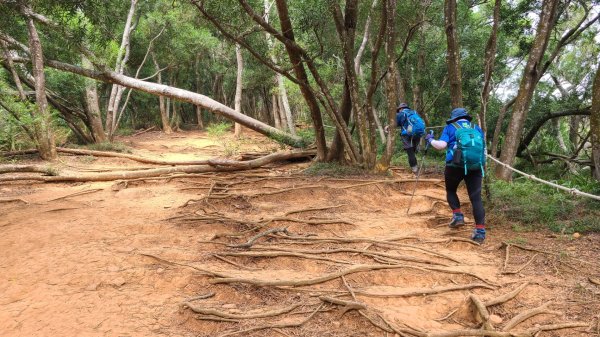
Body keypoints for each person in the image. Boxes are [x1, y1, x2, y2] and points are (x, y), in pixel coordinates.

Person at [425, 108, 487, 244]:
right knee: (476, 199)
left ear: (454, 118)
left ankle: (458, 215)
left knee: (451, 190)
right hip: (476, 167)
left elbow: (441, 145)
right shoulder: (476, 128)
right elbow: (484, 149)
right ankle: (480, 232)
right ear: (466, 117)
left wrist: (430, 140)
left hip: (455, 165)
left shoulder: (450, 127)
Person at [395, 103, 426, 174]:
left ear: (401, 109)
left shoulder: (401, 114)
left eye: (399, 110)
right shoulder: (414, 113)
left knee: (410, 152)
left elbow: (395, 124)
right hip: (417, 134)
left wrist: (387, 127)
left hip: (406, 135)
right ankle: (415, 168)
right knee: (413, 152)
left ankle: (415, 171)